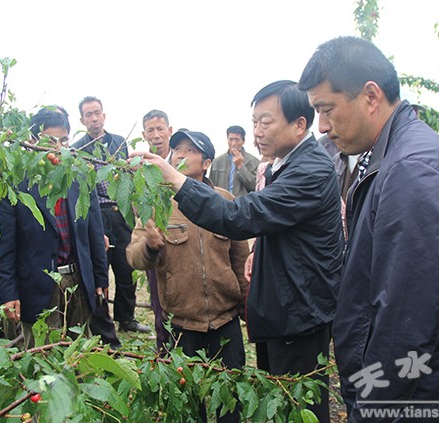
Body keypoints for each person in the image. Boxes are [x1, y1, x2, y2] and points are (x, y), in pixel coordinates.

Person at [131, 80, 343, 423]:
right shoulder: (284, 166)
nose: (256, 131)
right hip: (271, 313)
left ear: (299, 124)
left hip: (298, 315)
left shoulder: (309, 170)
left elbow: (239, 217)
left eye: (265, 122)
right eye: (254, 121)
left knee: (294, 405)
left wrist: (175, 179)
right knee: (274, 400)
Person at [298, 36, 439, 420]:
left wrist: (373, 407)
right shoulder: (390, 154)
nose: (322, 126)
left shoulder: (411, 169)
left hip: (410, 398)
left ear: (371, 96)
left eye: (326, 109)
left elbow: (406, 318)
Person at [127, 130, 250, 422]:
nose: (181, 155)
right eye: (178, 149)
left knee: (230, 401)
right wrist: (150, 246)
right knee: (188, 405)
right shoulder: (158, 203)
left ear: (206, 163)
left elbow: (240, 260)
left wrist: (246, 306)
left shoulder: (224, 200)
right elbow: (133, 256)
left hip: (225, 321)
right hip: (182, 324)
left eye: (190, 150)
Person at [0, 107, 111, 349]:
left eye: (63, 141)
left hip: (77, 280)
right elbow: (4, 244)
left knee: (80, 351)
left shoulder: (79, 176)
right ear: (33, 140)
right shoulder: (14, 182)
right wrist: (8, 293)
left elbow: (93, 232)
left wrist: (100, 276)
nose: (58, 148)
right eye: (50, 141)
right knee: (42, 355)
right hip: (38, 285)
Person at [72, 96, 150, 335]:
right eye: (89, 115)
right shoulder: (77, 149)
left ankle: (127, 318)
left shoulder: (119, 142)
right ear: (82, 120)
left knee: (126, 267)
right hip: (97, 215)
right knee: (99, 269)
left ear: (104, 116)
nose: (94, 118)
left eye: (97, 113)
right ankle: (100, 320)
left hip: (121, 213)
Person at [140, 109, 173, 353]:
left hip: (184, 240)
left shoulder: (182, 161)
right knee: (158, 297)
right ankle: (163, 350)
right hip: (156, 242)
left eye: (160, 128)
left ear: (169, 131)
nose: (156, 135)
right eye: (150, 130)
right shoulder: (140, 167)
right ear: (144, 135)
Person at [209, 125, 260, 196]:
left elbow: (255, 187)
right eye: (231, 139)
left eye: (237, 140)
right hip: (221, 201)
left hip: (242, 202)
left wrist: (241, 167)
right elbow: (210, 187)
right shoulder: (217, 162)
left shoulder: (254, 162)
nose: (233, 143)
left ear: (243, 141)